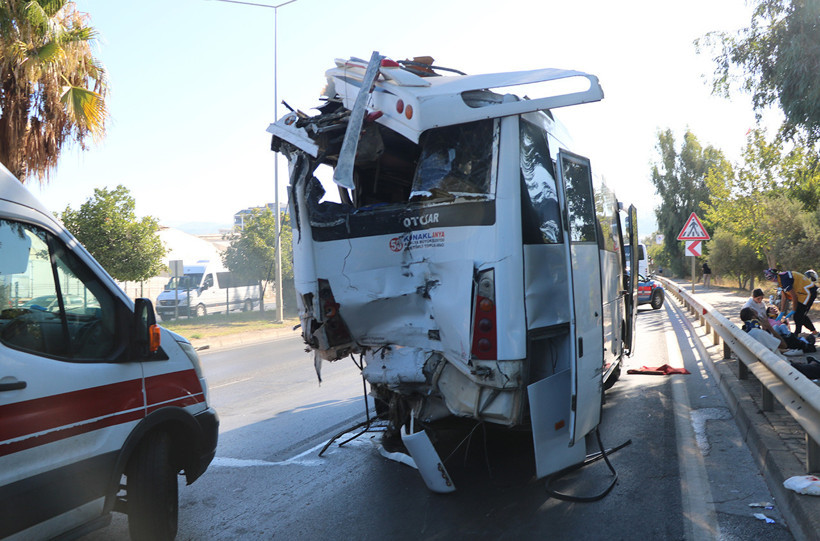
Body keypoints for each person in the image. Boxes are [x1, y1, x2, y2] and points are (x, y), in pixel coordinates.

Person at [764, 268, 818, 335]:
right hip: (802, 293)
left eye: (771, 278)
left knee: (797, 315)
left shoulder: (784, 280)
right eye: (769, 279)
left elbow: (794, 297)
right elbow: (784, 297)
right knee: (800, 314)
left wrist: (793, 310)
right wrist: (782, 311)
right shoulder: (780, 278)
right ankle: (814, 331)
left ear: (775, 275)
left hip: (809, 292)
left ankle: (797, 334)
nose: (772, 281)